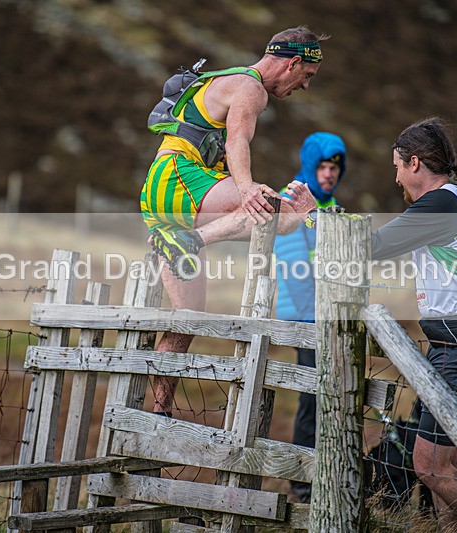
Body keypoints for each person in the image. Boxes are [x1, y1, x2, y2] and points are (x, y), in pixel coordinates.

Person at [286, 117, 457, 532]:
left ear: (414, 163)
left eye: (396, 167)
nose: (395, 179)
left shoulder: (440, 203)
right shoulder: (451, 201)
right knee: (443, 465)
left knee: (430, 466)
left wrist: (313, 215)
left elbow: (371, 246)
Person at [141, 26, 328, 416]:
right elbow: (236, 140)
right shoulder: (250, 87)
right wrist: (246, 190)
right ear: (293, 63)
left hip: (159, 190)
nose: (305, 86)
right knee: (281, 216)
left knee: (187, 320)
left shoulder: (226, 80)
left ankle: (160, 410)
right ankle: (190, 240)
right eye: (307, 75)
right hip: (179, 178)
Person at [273, 132, 346, 503]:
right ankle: (303, 484)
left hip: (328, 316)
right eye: (323, 166)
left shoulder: (329, 205)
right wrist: (314, 315)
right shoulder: (292, 201)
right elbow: (293, 264)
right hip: (307, 318)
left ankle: (326, 476)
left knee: (331, 397)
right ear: (310, 164)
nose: (330, 173)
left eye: (335, 167)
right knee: (313, 397)